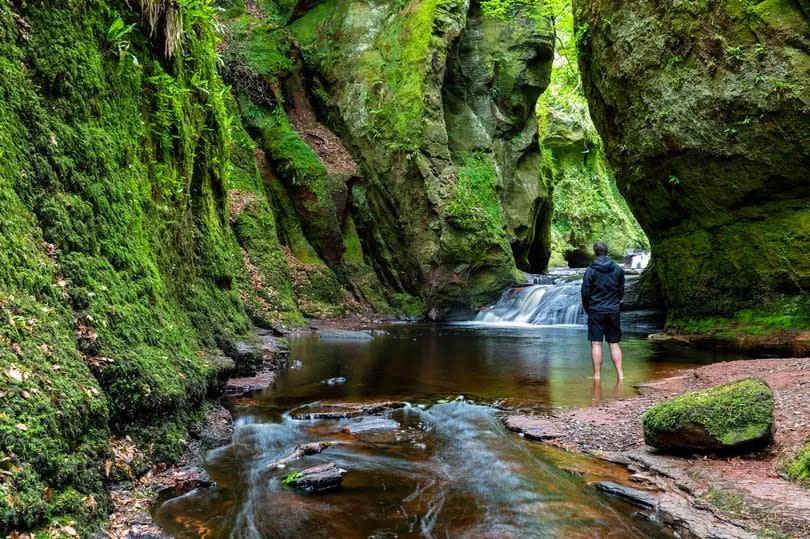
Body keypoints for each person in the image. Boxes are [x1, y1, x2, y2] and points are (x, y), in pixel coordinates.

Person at [580, 241, 625, 381]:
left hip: (596, 310)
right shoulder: (618, 269)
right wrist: (615, 303)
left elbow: (585, 293)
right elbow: (621, 290)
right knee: (614, 343)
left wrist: (588, 308)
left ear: (595, 252)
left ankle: (597, 376)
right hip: (613, 310)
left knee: (596, 343)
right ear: (607, 252)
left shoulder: (590, 270)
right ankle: (621, 375)